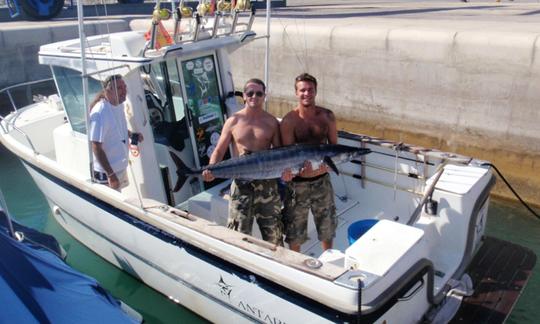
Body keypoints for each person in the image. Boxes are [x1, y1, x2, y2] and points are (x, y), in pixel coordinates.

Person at [202, 78, 288, 246]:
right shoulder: (233, 121)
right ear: (244, 96)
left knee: (274, 236)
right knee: (238, 236)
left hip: (268, 186)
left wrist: (287, 173)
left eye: (259, 93)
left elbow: (280, 154)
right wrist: (211, 169)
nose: (254, 96)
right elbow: (219, 150)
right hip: (241, 186)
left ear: (264, 96)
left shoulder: (272, 122)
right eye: (250, 93)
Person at [280, 73, 338, 252]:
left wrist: (328, 165)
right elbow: (287, 156)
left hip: (322, 181)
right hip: (298, 185)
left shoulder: (327, 116)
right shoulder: (289, 120)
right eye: (302, 90)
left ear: (316, 91)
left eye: (310, 89)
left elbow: (334, 148)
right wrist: (290, 174)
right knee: (294, 231)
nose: (307, 93)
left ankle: (328, 258)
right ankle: (295, 266)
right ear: (296, 93)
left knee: (327, 227)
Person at [89, 74, 143, 190]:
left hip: (119, 167)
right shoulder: (100, 112)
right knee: (110, 205)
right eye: (119, 88)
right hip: (107, 174)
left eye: (124, 87)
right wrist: (111, 175)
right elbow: (96, 146)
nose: (124, 91)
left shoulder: (119, 104)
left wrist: (132, 135)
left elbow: (117, 128)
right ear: (108, 90)